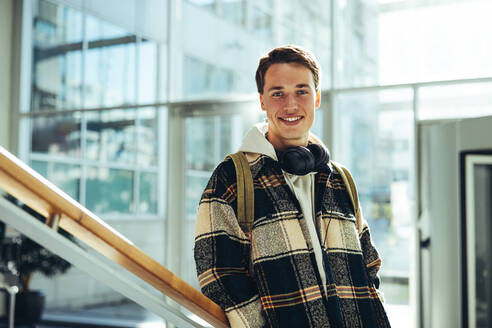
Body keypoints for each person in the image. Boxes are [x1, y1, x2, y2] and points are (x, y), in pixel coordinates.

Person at [194, 45, 391, 327]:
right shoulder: (233, 177)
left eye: (302, 91)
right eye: (278, 93)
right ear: (262, 101)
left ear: (317, 98)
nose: (290, 105)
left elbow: (369, 264)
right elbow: (218, 274)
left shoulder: (339, 178)